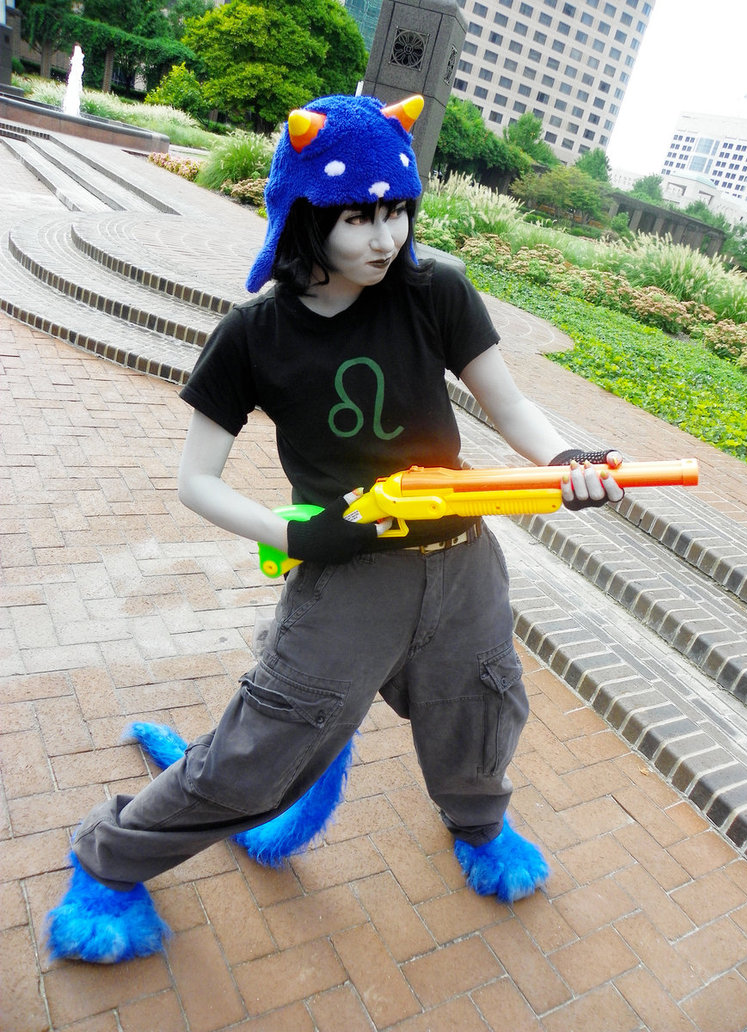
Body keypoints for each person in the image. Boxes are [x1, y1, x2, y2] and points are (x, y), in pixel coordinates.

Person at [46, 93, 623, 964]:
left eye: (397, 210)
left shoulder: (434, 291)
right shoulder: (254, 335)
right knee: (264, 748)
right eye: (358, 216)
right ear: (306, 215)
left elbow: (510, 407)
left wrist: (564, 461)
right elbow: (196, 482)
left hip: (464, 563)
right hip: (345, 577)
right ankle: (108, 859)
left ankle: (478, 825)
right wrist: (294, 536)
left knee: (480, 708)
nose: (385, 238)